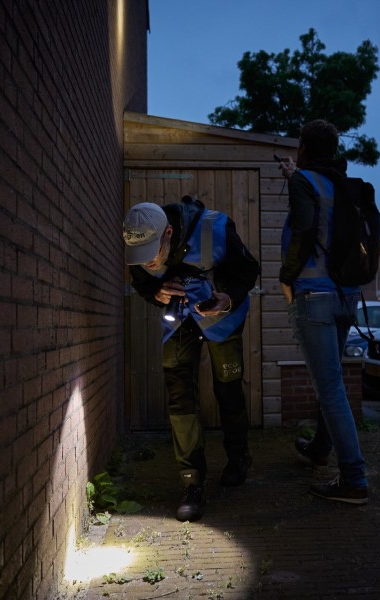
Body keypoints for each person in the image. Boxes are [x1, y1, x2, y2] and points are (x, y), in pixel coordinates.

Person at [123, 196, 260, 521]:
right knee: (180, 396)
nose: (147, 263)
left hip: (222, 318)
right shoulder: (138, 240)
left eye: (152, 254)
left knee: (228, 389)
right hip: (179, 322)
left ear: (168, 233)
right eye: (140, 257)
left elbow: (248, 270)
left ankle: (239, 458)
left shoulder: (215, 229)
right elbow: (141, 283)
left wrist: (227, 298)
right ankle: (192, 482)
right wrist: (156, 293)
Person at [277, 119, 369, 504]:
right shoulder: (341, 183)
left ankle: (354, 479)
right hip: (347, 295)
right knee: (333, 383)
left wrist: (286, 277)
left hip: (314, 295)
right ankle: (320, 448)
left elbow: (303, 230)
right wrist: (293, 176)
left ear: (303, 148)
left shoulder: (305, 182)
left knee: (329, 388)